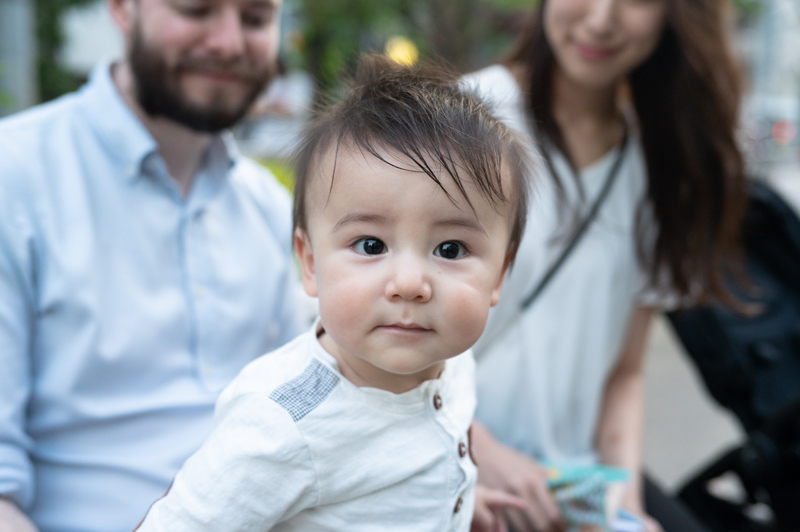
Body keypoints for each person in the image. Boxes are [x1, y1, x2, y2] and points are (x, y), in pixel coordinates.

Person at [135, 54, 531, 531]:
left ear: (500, 274)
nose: (408, 283)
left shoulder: (454, 360)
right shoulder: (284, 428)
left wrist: (460, 500)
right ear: (310, 263)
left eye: (450, 248)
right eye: (370, 245)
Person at [0, 0, 309, 531]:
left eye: (255, 19)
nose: (229, 43)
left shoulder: (269, 208)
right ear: (121, 9)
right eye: (196, 11)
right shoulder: (15, 178)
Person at [462, 0, 748, 531]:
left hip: (569, 490)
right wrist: (481, 454)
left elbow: (623, 372)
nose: (600, 18)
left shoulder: (660, 168)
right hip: (447, 469)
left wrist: (628, 510)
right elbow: (378, 331)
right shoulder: (464, 117)